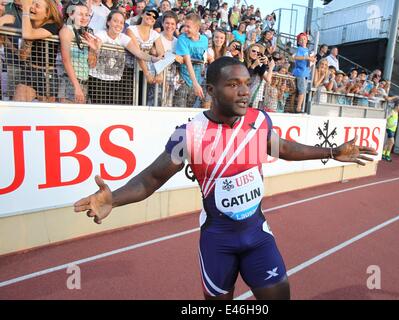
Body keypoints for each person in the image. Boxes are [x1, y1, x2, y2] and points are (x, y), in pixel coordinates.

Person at [74, 56, 377, 300]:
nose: (244, 91)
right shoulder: (190, 134)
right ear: (210, 91)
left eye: (246, 83)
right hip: (217, 243)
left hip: (258, 237)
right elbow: (150, 179)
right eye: (233, 84)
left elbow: (284, 148)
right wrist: (113, 197)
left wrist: (332, 151)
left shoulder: (258, 122)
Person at [13, 0, 63, 102]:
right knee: (20, 103)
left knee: (45, 114)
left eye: (37, 6)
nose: (32, 7)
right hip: (29, 71)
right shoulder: (29, 26)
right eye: (32, 4)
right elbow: (23, 56)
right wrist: (27, 43)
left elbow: (28, 34)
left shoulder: (53, 25)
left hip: (47, 75)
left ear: (47, 13)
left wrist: (26, 10)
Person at [59, 1, 101, 104]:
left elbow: (92, 65)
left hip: (84, 83)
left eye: (87, 15)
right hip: (70, 83)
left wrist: (94, 49)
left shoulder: (85, 34)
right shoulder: (67, 30)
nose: (84, 18)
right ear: (70, 14)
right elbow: (66, 60)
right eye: (80, 14)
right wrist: (77, 87)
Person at [292, 32, 316, 113]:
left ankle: (299, 107)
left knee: (302, 91)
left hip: (306, 72)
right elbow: (296, 57)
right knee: (301, 91)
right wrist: (307, 58)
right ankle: (298, 108)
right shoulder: (299, 49)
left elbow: (311, 60)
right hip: (300, 72)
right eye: (301, 39)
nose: (303, 40)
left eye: (304, 39)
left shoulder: (308, 50)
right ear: (298, 42)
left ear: (307, 40)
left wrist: (312, 59)